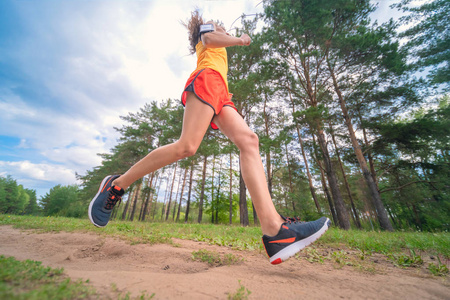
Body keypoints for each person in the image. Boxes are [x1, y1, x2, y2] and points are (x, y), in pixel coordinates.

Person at [88, 11, 330, 265]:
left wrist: (225, 83)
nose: (222, 30)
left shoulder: (217, 45)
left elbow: (216, 48)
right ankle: (116, 185)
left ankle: (276, 231)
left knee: (249, 140)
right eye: (220, 28)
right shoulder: (210, 30)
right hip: (206, 80)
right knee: (187, 147)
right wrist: (239, 39)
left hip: (220, 92)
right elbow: (211, 39)